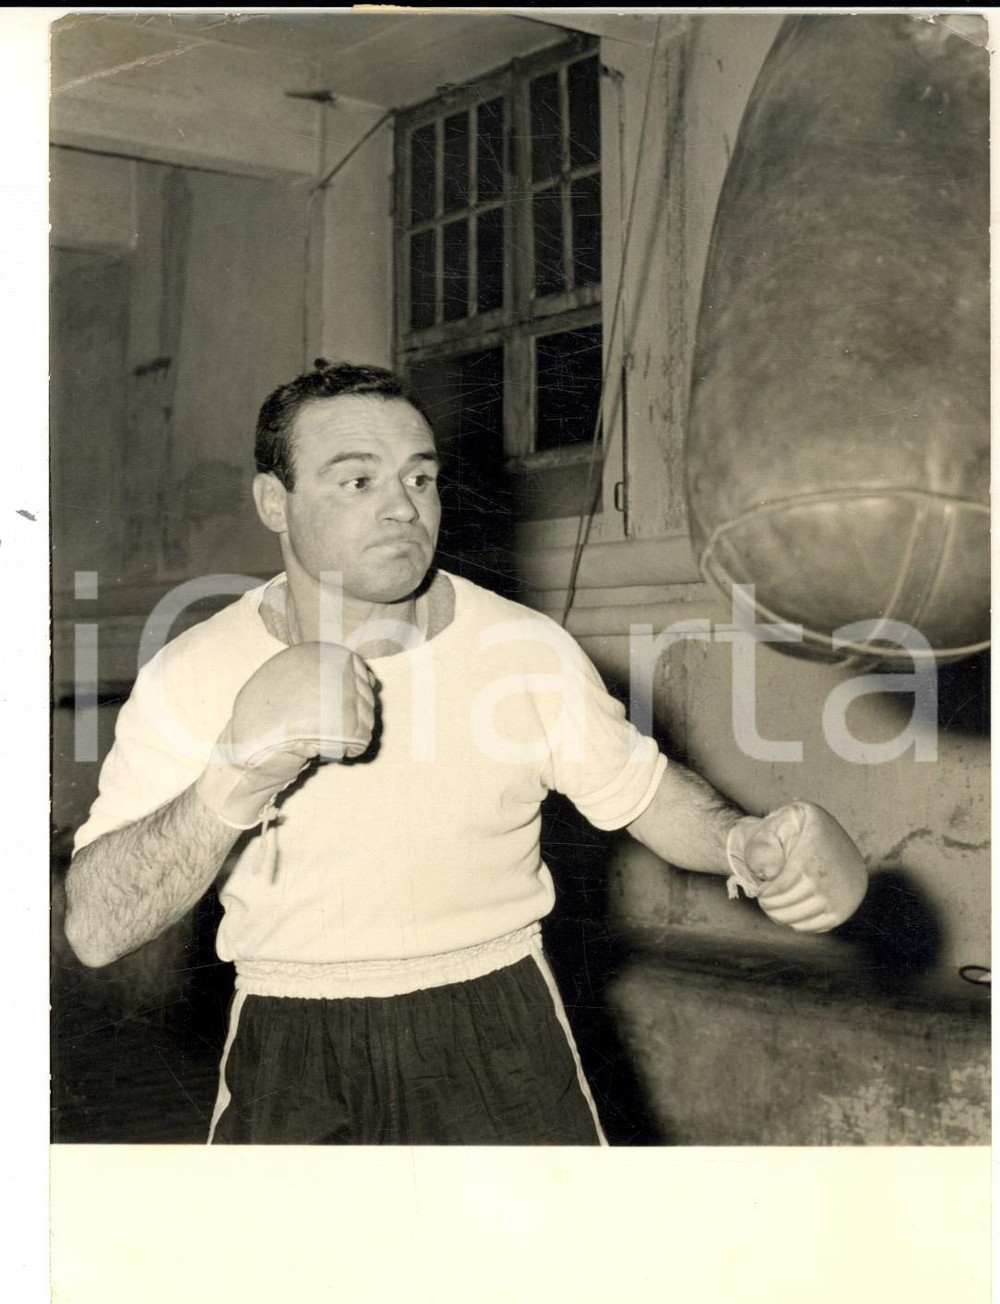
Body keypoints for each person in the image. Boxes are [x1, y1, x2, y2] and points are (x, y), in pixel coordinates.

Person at [64, 359, 868, 1146]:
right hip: (291, 1035)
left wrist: (744, 840)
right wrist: (234, 776)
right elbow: (96, 929)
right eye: (357, 481)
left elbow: (647, 793)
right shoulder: (195, 671)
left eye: (419, 478)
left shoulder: (525, 650)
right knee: (290, 1284)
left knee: (540, 1282)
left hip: (496, 1025)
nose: (403, 509)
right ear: (275, 502)